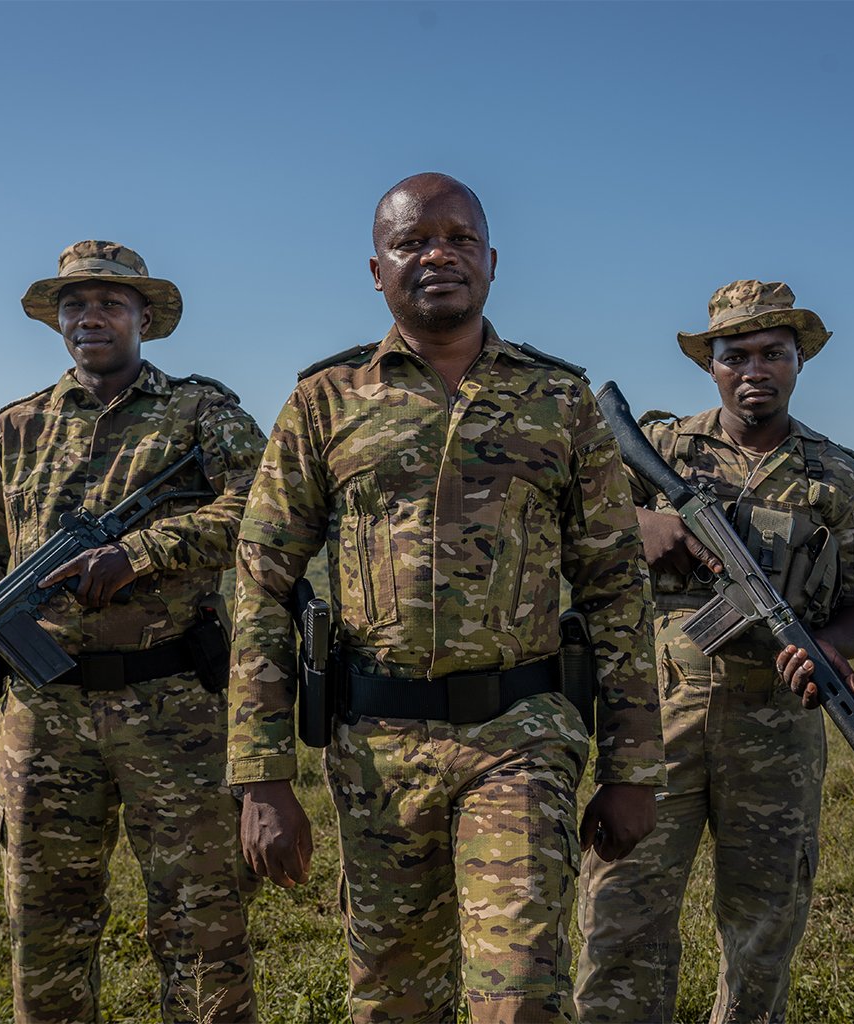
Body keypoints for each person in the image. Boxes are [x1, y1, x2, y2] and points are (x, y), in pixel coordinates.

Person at [227, 172, 665, 1023]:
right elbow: (262, 585)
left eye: (459, 239)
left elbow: (616, 587)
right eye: (412, 242)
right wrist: (262, 774)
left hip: (521, 736)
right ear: (376, 268)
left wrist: (633, 767)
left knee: (521, 993)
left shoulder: (559, 401)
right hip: (375, 752)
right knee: (392, 998)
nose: (437, 255)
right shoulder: (324, 403)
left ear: (493, 261)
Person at [0, 240, 266, 1024]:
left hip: (176, 707)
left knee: (202, 929)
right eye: (75, 304)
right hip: (42, 716)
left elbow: (263, 509)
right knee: (46, 933)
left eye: (109, 303)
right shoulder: (15, 428)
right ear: (57, 322)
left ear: (143, 317)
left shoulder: (203, 413)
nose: (90, 317)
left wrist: (142, 552)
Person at [574, 280, 854, 1023]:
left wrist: (829, 647)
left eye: (772, 354)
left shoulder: (838, 477)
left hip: (777, 730)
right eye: (736, 354)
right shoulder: (659, 448)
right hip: (656, 723)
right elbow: (572, 514)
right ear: (711, 366)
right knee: (622, 915)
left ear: (797, 363)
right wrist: (644, 523)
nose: (755, 369)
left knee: (763, 929)